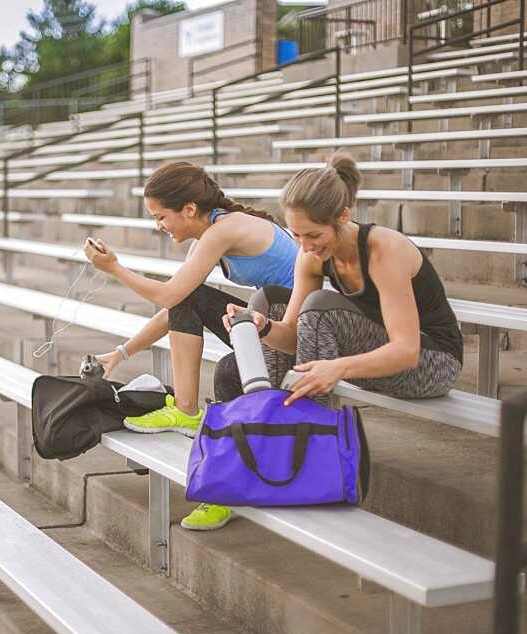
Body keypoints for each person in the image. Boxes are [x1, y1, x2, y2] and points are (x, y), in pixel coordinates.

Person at [83, 161, 298, 531]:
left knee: (229, 369)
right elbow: (176, 304)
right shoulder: (211, 231)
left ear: (188, 209)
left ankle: (191, 420)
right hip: (268, 324)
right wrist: (121, 353)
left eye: (161, 216)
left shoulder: (223, 230)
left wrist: (115, 269)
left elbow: (172, 293)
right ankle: (189, 417)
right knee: (196, 311)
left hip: (293, 334)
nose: (159, 226)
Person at [215, 152, 463, 435]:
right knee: (268, 302)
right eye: (296, 235)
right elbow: (294, 337)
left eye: (314, 235)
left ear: (343, 216)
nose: (305, 246)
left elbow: (406, 352)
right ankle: (273, 433)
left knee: (320, 309)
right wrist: (264, 326)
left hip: (433, 364)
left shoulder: (384, 250)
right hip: (374, 356)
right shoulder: (311, 256)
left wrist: (338, 368)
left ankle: (308, 438)